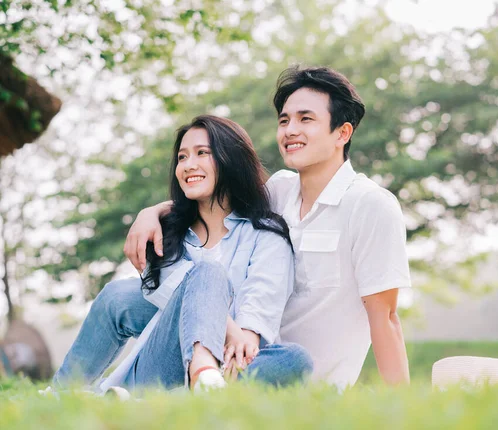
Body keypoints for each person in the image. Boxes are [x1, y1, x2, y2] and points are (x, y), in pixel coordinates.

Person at [126, 66, 411, 389]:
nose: (290, 130)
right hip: (237, 358)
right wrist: (152, 214)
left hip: (301, 382)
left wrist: (403, 411)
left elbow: (385, 317)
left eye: (306, 119)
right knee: (128, 297)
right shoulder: (279, 190)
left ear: (342, 133)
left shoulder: (371, 205)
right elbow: (213, 202)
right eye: (284, 120)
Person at [53, 115, 313, 394]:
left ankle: (184, 392)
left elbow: (262, 303)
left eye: (202, 153)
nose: (188, 165)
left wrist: (243, 336)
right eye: (182, 157)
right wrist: (228, 329)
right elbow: (169, 291)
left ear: (231, 158)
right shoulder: (167, 235)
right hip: (159, 368)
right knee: (145, 288)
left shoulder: (266, 233)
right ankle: (200, 376)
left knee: (295, 360)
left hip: (232, 361)